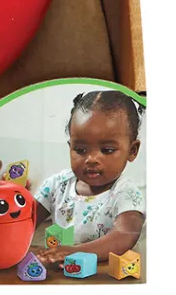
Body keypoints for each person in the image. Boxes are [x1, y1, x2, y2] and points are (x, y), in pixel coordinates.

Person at [33, 90, 145, 267]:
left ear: (132, 151)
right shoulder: (56, 185)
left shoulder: (126, 194)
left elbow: (124, 236)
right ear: (70, 146)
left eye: (107, 150)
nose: (91, 159)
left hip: (104, 274)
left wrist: (75, 252)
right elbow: (25, 221)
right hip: (59, 271)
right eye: (80, 150)